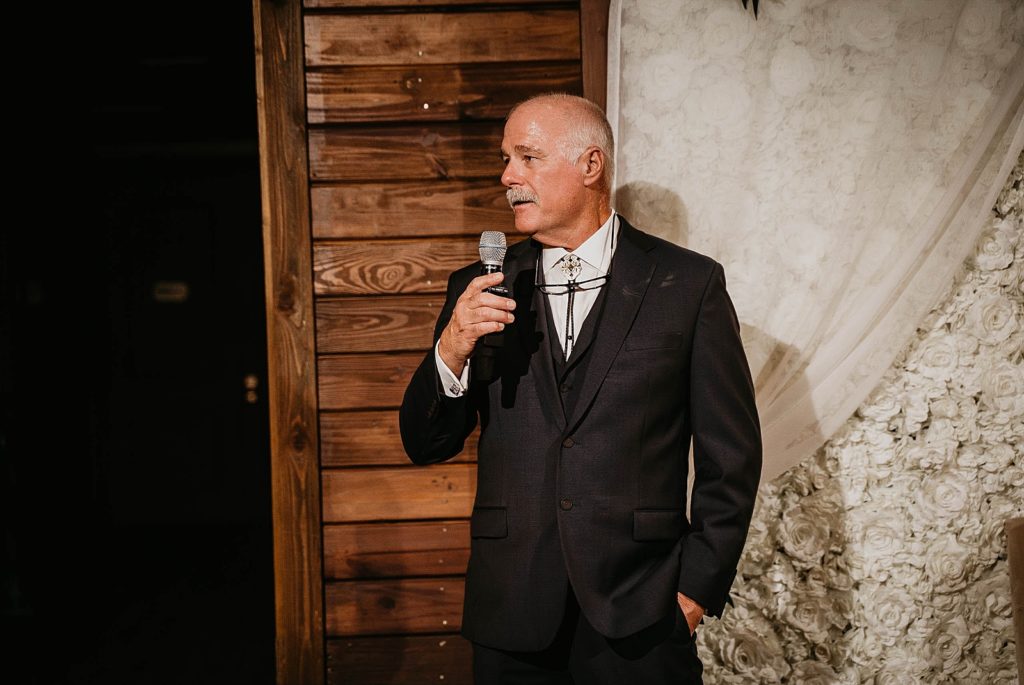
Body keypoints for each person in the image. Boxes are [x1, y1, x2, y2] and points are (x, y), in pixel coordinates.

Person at [399, 93, 761, 684]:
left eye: (528, 157)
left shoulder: (688, 284)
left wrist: (695, 591)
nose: (508, 176)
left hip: (641, 611)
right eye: (506, 159)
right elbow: (424, 442)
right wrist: (451, 350)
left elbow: (732, 457)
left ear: (591, 166)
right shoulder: (481, 286)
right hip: (510, 610)